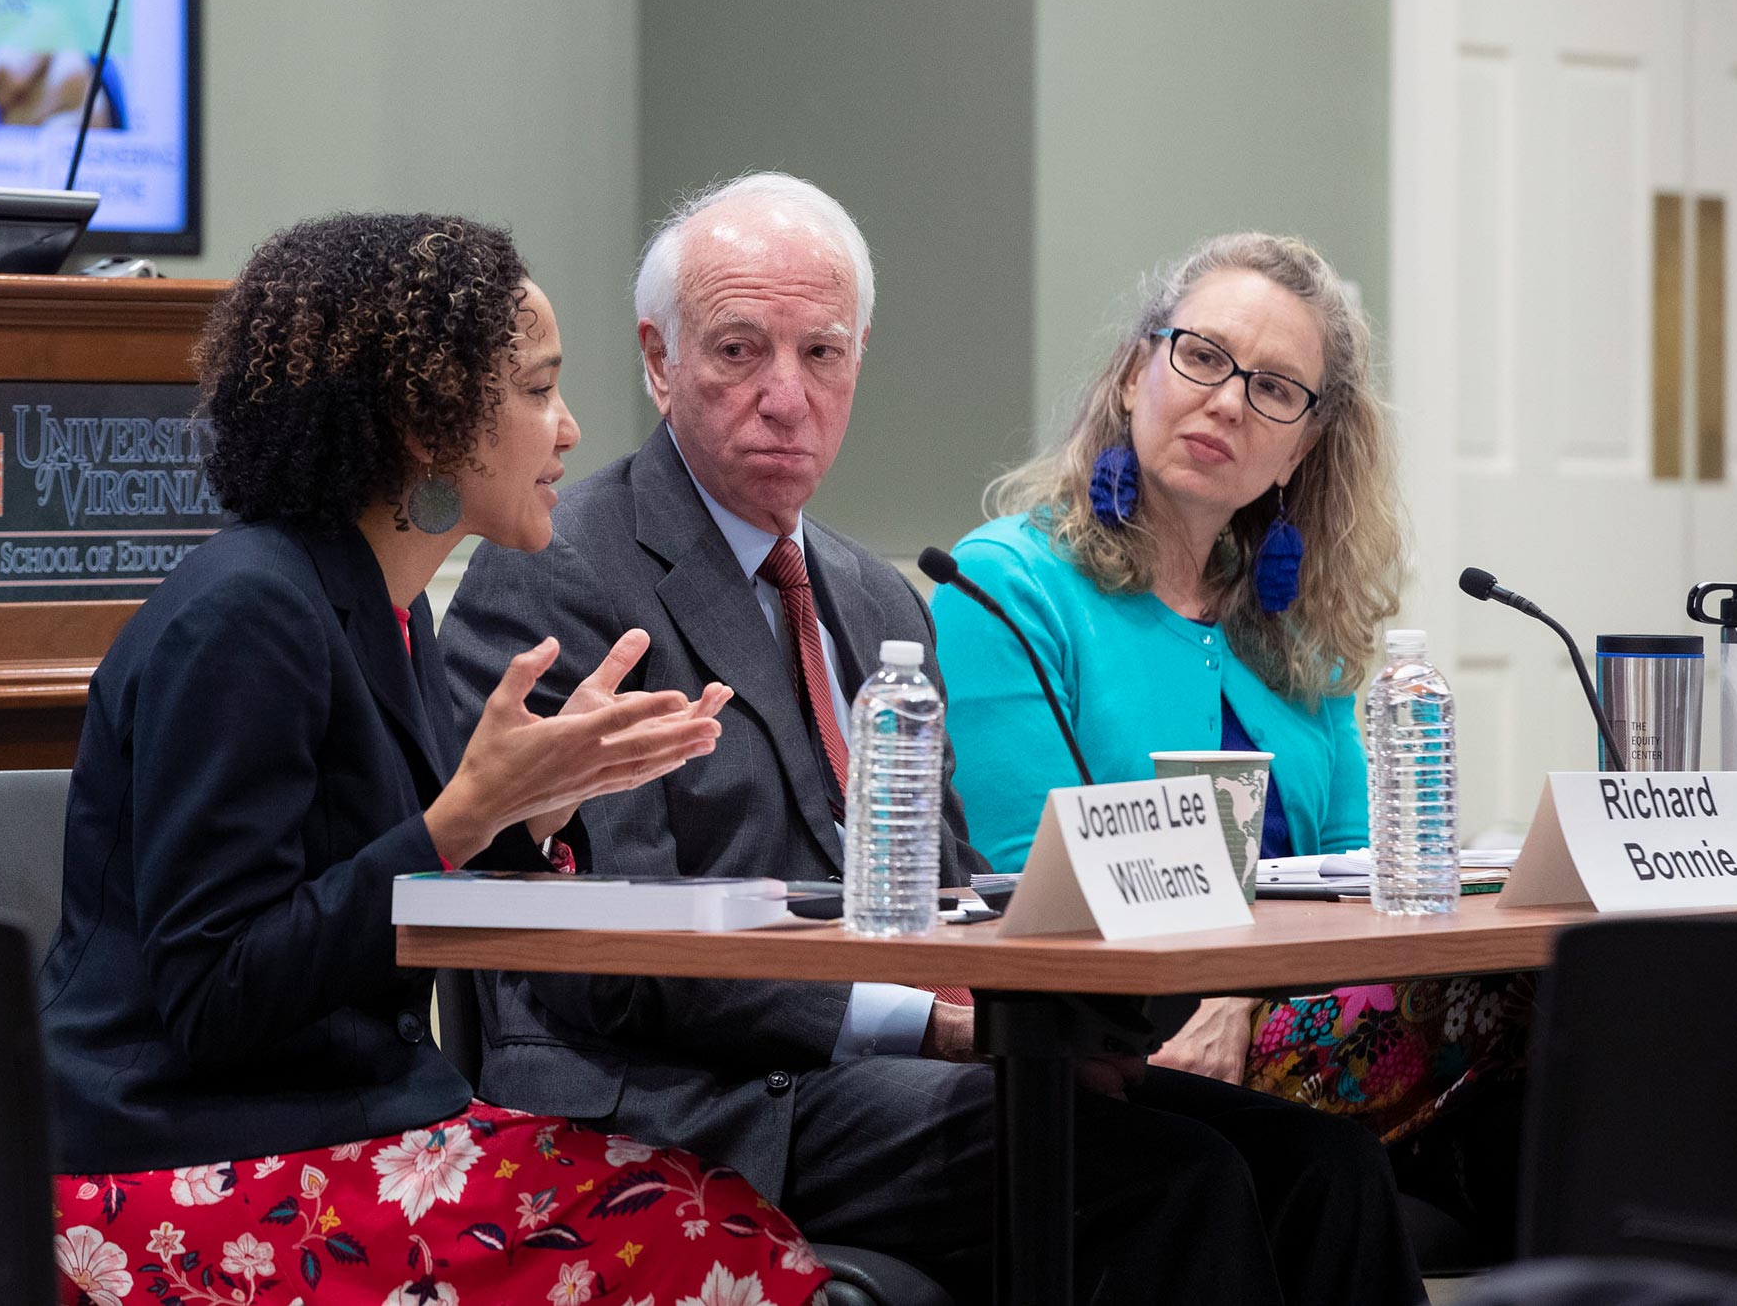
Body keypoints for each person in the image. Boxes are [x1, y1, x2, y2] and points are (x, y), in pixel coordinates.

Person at [444, 174, 1425, 1305]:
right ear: (658, 360)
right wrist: (941, 1025)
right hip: (690, 1093)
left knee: (1324, 1169)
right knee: (1175, 1179)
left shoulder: (877, 597)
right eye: (736, 351)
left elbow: (955, 893)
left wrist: (1051, 1019)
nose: (784, 395)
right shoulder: (563, 567)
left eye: (821, 354)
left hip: (893, 1064)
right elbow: (620, 954)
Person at [36, 212, 830, 1306]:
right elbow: (214, 993)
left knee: (720, 1215)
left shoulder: (387, 606)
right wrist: (463, 818)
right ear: (426, 420)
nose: (567, 430)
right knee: (717, 1248)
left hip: (342, 1123)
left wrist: (536, 812)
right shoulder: (245, 615)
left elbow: (370, 884)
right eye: (538, 390)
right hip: (178, 1160)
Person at [933, 231, 1532, 1246]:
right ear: (1135, 373)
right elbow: (1022, 881)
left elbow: (1363, 879)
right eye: (1199, 356)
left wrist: (1241, 995)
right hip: (1117, 1025)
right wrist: (1218, 993)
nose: (1224, 401)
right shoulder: (1006, 583)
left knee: (1601, 999)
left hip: (1266, 1011)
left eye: (1272, 388)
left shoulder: (1295, 630)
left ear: (1302, 444)